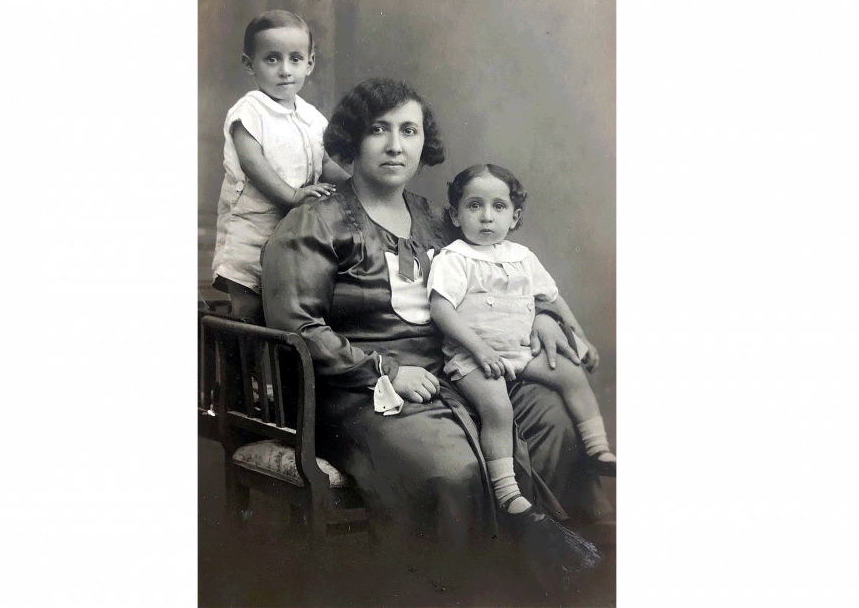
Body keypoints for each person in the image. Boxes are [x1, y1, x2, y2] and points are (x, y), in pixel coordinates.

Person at [261, 78, 613, 594]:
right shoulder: (315, 222)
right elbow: (297, 326)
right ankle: (461, 595)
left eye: (409, 130)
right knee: (452, 470)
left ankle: (544, 588)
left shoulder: (436, 219)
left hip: (456, 369)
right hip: (361, 389)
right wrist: (387, 371)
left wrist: (534, 317)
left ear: (425, 143)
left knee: (553, 420)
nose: (395, 145)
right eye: (377, 130)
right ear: (352, 141)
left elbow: (490, 276)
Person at [428, 164, 616, 526]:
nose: (486, 217)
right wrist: (480, 350)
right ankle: (507, 491)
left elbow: (554, 299)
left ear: (514, 217)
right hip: (473, 358)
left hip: (520, 352)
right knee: (498, 409)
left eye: (498, 207)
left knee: (571, 373)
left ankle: (596, 448)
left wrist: (580, 337)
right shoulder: (455, 258)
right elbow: (441, 310)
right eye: (474, 206)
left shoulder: (522, 257)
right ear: (455, 214)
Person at [211, 10, 350, 322]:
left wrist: (355, 187)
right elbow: (252, 162)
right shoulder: (249, 111)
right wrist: (293, 195)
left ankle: (270, 369)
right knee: (248, 306)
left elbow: (324, 162)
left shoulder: (312, 117)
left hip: (293, 233)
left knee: (284, 306)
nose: (285, 70)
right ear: (250, 64)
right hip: (253, 227)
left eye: (296, 59)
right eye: (272, 59)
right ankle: (244, 368)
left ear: (310, 63)